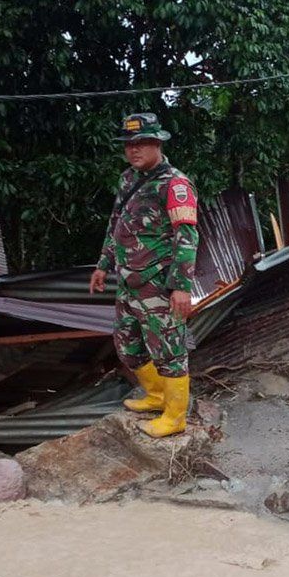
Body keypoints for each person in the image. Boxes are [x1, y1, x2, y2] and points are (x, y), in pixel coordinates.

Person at [90, 113, 199, 438]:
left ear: (158, 143)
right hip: (129, 281)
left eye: (141, 143)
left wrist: (181, 286)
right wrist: (103, 264)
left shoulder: (175, 184)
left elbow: (187, 235)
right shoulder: (128, 179)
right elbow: (116, 224)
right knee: (128, 344)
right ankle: (155, 396)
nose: (133, 150)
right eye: (128, 145)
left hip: (159, 283)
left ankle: (176, 416)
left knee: (169, 349)